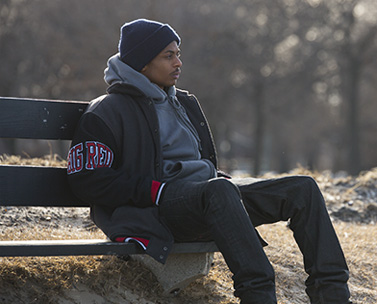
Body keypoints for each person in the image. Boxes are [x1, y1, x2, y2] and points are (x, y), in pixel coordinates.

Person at [67, 18, 351, 303]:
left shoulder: (183, 103)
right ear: (142, 63)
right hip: (156, 210)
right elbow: (88, 179)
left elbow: (201, 165)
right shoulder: (107, 111)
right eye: (169, 56)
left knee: (302, 189)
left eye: (178, 54)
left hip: (210, 198)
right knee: (219, 190)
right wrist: (155, 190)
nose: (178, 63)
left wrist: (218, 178)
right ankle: (258, 295)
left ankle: (333, 295)